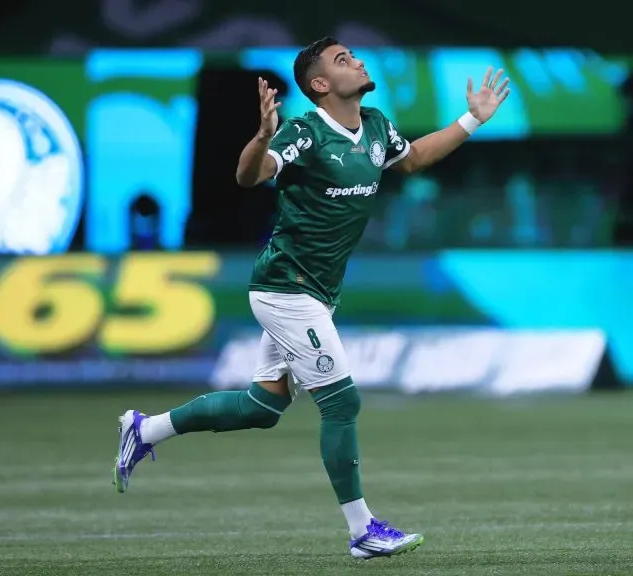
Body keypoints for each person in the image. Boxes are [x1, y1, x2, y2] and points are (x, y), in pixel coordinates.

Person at [112, 36, 510, 560]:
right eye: (344, 59)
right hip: (285, 288)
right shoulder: (304, 132)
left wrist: (472, 119)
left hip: (316, 293)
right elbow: (249, 175)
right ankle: (362, 531)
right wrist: (261, 137)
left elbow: (411, 161)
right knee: (341, 401)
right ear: (320, 84)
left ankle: (146, 429)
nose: (359, 61)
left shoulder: (374, 125)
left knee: (263, 406)